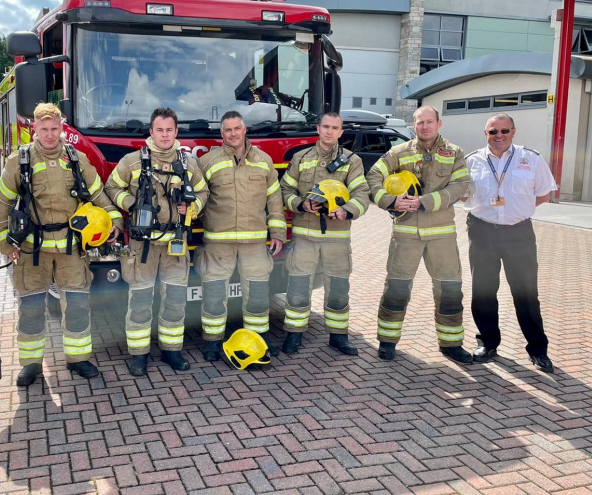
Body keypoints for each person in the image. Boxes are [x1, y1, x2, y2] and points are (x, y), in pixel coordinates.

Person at [0, 103, 122, 386]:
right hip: (32, 250)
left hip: (71, 250)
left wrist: (115, 223)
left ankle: (78, 358)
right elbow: (1, 202)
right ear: (35, 129)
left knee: (77, 306)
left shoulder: (77, 159)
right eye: (44, 129)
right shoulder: (19, 160)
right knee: (31, 309)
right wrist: (5, 243)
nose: (50, 135)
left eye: (55, 129)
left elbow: (99, 195)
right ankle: (30, 365)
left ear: (62, 128)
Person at [105, 107, 209, 376]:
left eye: (169, 130)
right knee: (140, 300)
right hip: (143, 247)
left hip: (176, 242)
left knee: (175, 299)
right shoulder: (131, 161)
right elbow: (111, 187)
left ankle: (172, 351)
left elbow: (204, 191)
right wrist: (132, 204)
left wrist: (193, 207)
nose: (164, 135)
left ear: (176, 132)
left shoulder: (188, 163)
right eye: (159, 130)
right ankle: (139, 355)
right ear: (151, 132)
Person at [366, 105, 473, 364]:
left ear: (439, 123)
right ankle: (387, 342)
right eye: (419, 122)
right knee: (396, 288)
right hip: (405, 235)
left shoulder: (454, 153)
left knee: (449, 289)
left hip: (442, 236)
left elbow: (461, 186)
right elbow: (372, 177)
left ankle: (451, 343)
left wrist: (424, 201)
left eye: (429, 121)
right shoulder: (398, 152)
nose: (424, 126)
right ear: (413, 125)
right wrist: (391, 201)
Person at [463, 113, 556, 372]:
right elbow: (461, 195)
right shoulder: (472, 161)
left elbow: (544, 194)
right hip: (482, 233)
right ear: (486, 134)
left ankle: (538, 349)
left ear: (513, 131)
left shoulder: (531, 158)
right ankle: (488, 343)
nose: (499, 135)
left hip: (519, 234)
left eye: (504, 130)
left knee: (526, 294)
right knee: (483, 292)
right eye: (493, 131)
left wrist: (518, 209)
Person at [195, 111, 286, 360]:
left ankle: (258, 341)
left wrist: (277, 232)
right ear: (221, 133)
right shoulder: (208, 161)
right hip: (218, 243)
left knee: (257, 295)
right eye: (227, 130)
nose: (233, 134)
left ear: (245, 130)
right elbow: (198, 198)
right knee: (213, 294)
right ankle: (213, 342)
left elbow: (274, 200)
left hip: (254, 243)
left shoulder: (264, 161)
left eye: (237, 128)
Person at [279, 112, 370, 355]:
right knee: (298, 288)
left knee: (338, 289)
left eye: (335, 128)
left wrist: (347, 210)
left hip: (336, 238)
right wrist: (301, 204)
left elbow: (362, 193)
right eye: (325, 126)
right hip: (304, 237)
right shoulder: (300, 158)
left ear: (341, 132)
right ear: (318, 129)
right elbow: (285, 189)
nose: (329, 132)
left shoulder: (352, 161)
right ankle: (294, 335)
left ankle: (338, 337)